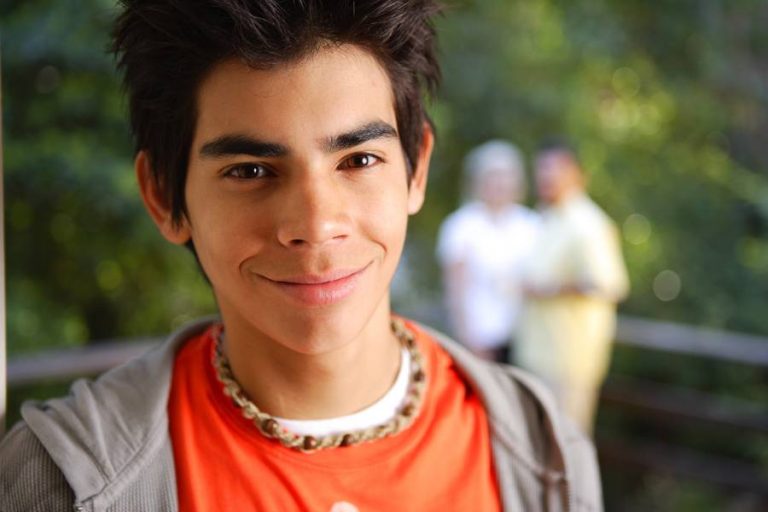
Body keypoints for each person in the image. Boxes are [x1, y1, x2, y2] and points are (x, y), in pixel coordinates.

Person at [0, 2, 603, 511]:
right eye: (250, 171)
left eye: (358, 161)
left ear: (415, 169)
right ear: (164, 196)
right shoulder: (56, 481)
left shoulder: (543, 452)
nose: (316, 227)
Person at [517, 139, 630, 435]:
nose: (546, 176)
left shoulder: (588, 223)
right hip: (535, 356)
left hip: (568, 362)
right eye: (541, 168)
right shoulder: (546, 217)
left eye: (554, 168)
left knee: (567, 444)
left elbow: (609, 285)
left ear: (576, 174)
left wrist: (548, 289)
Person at [436, 140, 539, 362]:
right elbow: (455, 288)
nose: (500, 183)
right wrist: (468, 338)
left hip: (526, 340)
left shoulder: (531, 224)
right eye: (493, 175)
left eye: (506, 175)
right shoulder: (461, 225)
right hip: (481, 339)